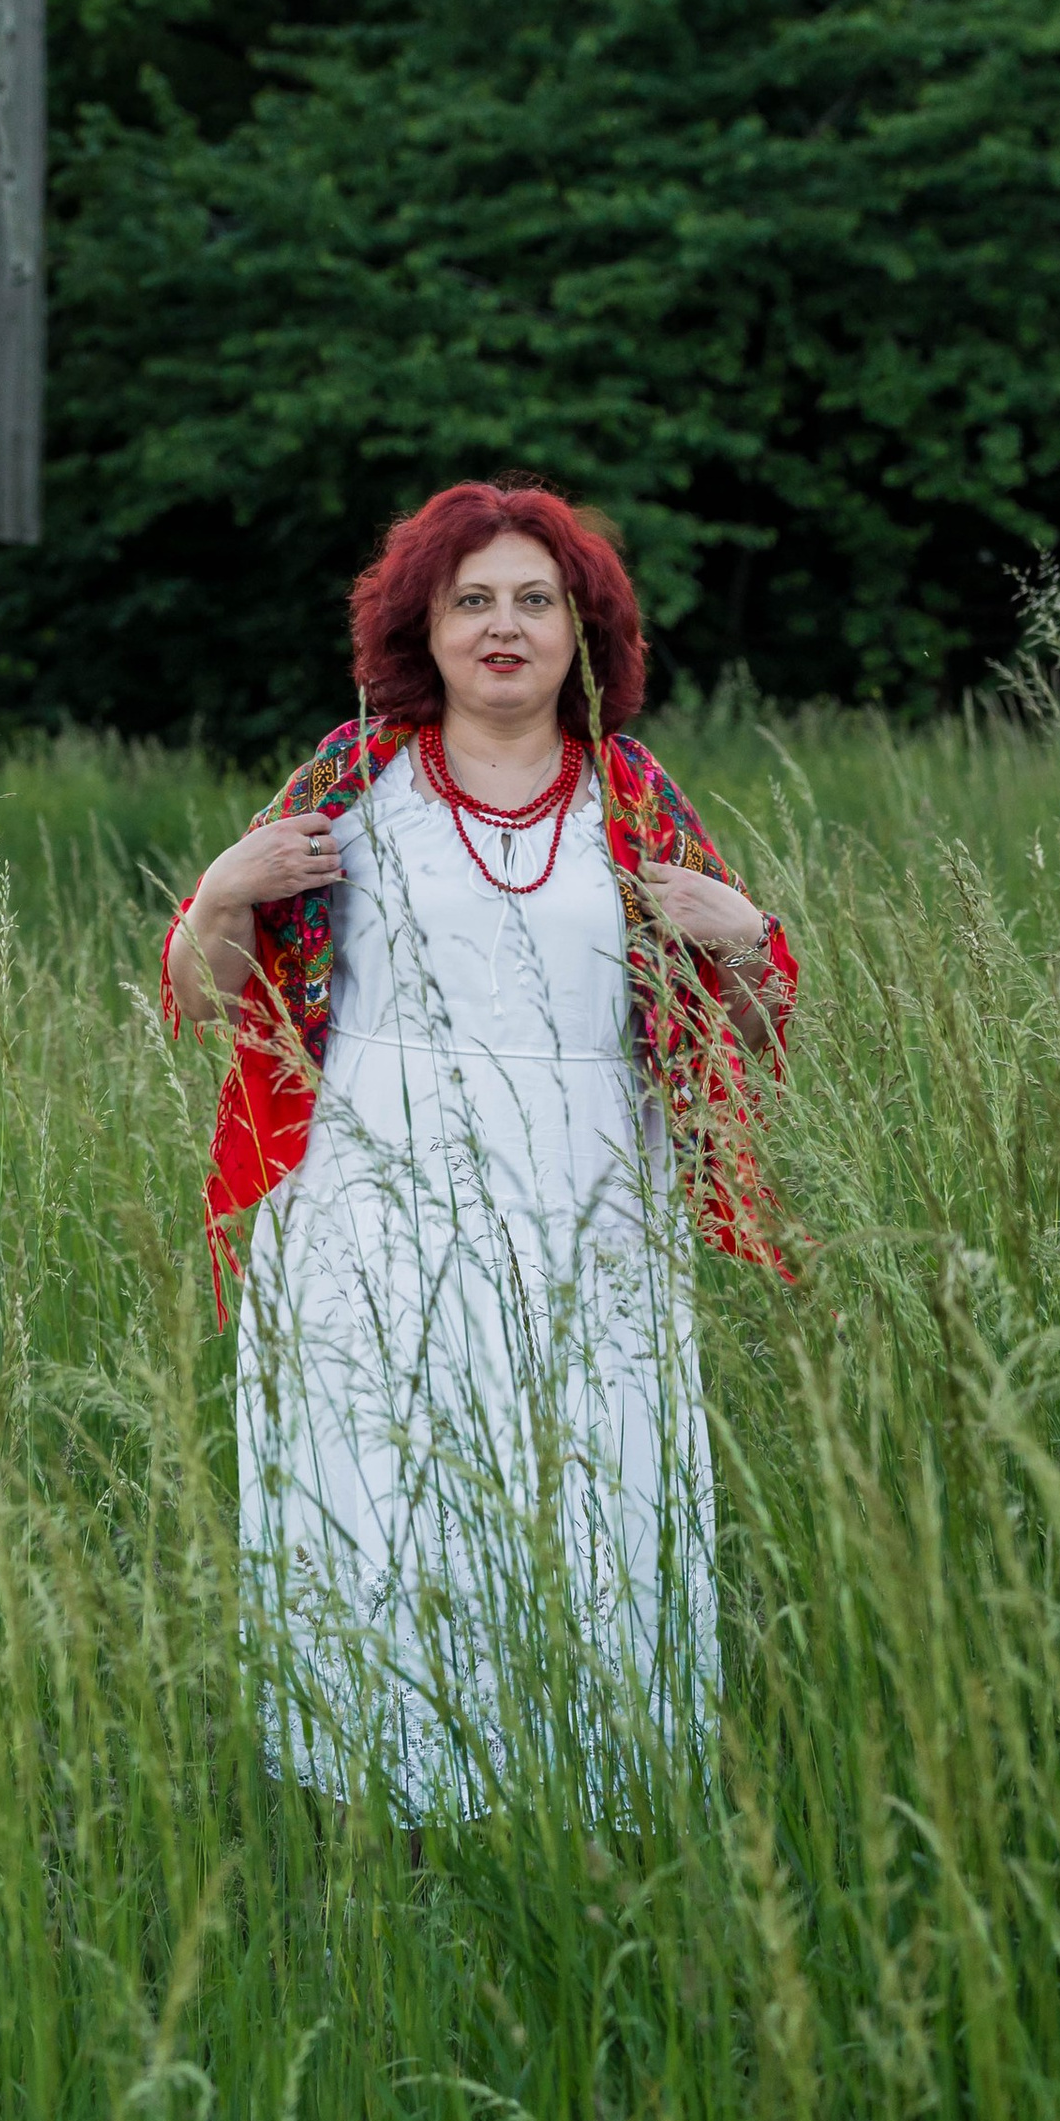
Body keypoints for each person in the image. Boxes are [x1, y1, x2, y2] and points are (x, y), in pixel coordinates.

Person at [162, 481, 796, 1812]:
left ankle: (591, 1813)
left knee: (594, 1496)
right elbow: (212, 990)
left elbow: (741, 1020)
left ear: (583, 631)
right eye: (471, 601)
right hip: (370, 1208)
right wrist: (223, 889)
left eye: (534, 601)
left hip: (592, 1203)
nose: (502, 628)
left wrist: (743, 931)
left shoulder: (630, 795)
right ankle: (381, 1817)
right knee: (384, 1497)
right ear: (424, 627)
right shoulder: (352, 779)